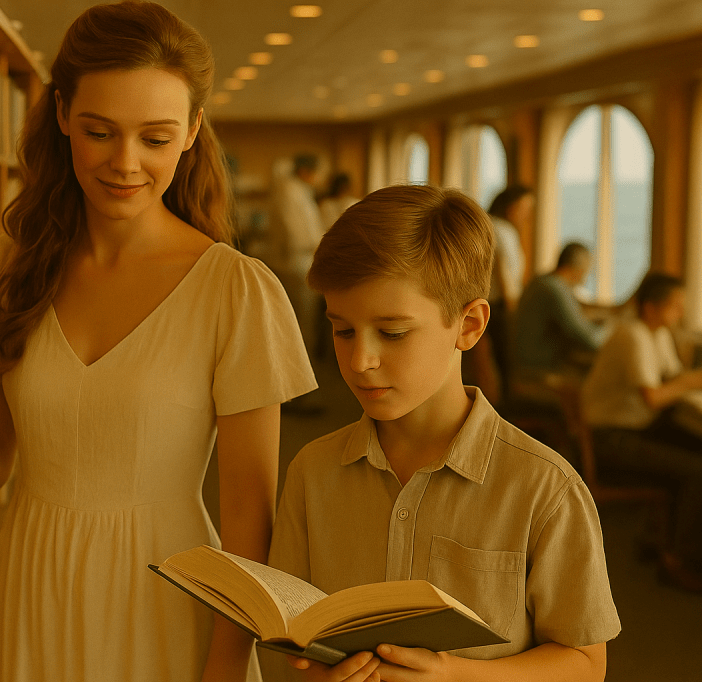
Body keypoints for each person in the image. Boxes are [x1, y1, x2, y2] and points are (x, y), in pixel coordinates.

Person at [0, 3, 317, 680]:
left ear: (192, 132)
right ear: (62, 116)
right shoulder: (12, 263)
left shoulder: (235, 290)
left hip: (172, 595)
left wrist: (226, 666)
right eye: (99, 132)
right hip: (29, 580)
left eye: (155, 138)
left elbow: (249, 521)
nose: (125, 163)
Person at [260, 185, 620, 682]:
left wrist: (455, 674)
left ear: (468, 326)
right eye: (343, 331)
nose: (361, 361)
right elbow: (294, 641)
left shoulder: (545, 488)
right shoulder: (312, 471)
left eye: (392, 333)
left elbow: (585, 663)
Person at [581, 272, 702, 591]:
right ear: (651, 308)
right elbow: (654, 396)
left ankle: (660, 539)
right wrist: (697, 380)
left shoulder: (657, 334)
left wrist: (693, 380)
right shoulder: (632, 334)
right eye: (675, 305)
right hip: (611, 439)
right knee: (700, 471)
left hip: (634, 429)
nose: (681, 313)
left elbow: (673, 377)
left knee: (699, 447)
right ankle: (682, 563)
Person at [513, 242, 608, 387]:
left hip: (527, 361)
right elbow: (590, 340)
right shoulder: (555, 288)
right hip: (539, 367)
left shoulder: (541, 281)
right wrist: (612, 330)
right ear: (578, 270)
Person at [270, 153, 326, 358]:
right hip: (295, 262)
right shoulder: (290, 192)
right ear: (305, 171)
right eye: (318, 172)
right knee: (299, 320)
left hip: (299, 261)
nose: (319, 177)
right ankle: (300, 366)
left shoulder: (297, 190)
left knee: (301, 319)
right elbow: (297, 234)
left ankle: (302, 364)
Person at [483, 185, 532, 393]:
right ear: (510, 207)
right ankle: (508, 404)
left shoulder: (492, 226)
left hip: (495, 302)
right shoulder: (502, 230)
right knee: (506, 360)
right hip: (500, 304)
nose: (526, 215)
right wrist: (513, 307)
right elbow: (503, 271)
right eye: (524, 208)